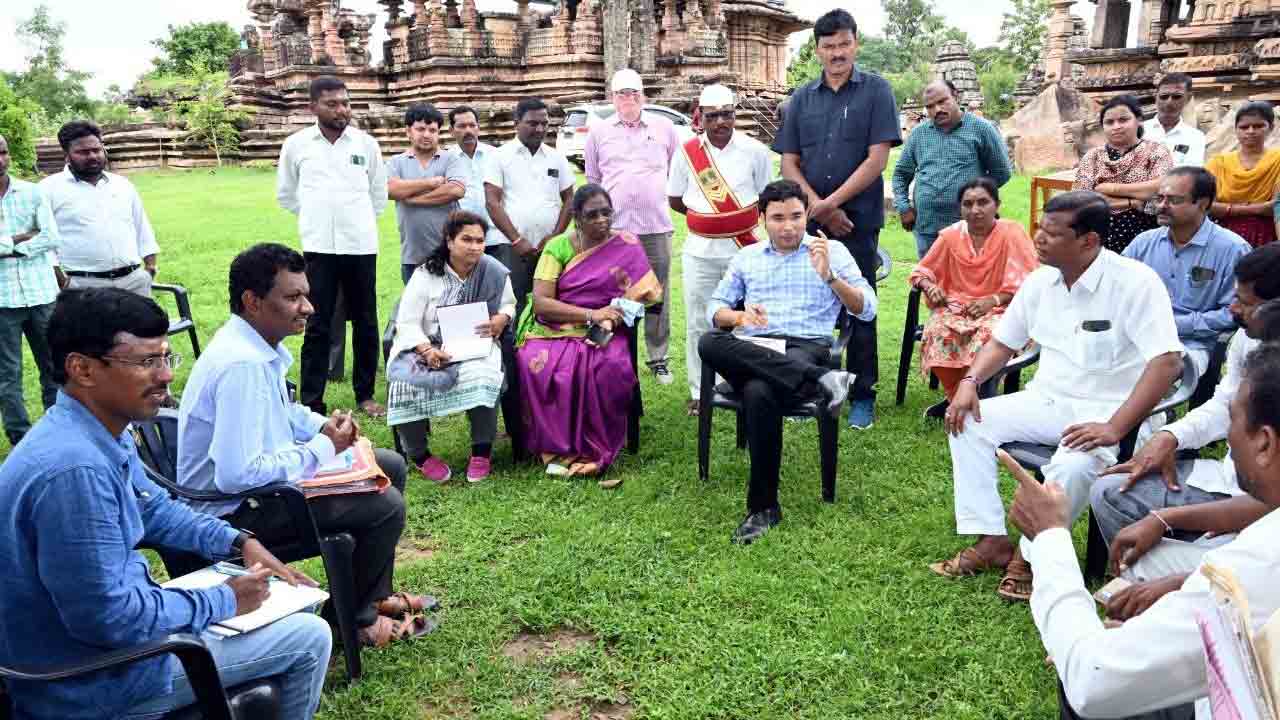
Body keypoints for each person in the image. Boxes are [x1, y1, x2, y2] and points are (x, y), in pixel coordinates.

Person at [0, 288, 331, 719]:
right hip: (89, 683)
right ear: (81, 369)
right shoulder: (74, 472)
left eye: (165, 358)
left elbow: (154, 508)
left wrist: (236, 541)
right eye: (146, 362)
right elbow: (109, 620)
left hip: (95, 652)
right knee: (308, 636)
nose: (166, 376)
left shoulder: (90, 430)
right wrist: (224, 600)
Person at [929, 190, 1184, 603]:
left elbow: (1167, 363)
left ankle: (1031, 558)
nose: (1038, 239)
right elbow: (1002, 342)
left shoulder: (1135, 283)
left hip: (1109, 411)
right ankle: (992, 539)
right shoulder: (1040, 281)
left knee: (1073, 465)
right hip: (1048, 400)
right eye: (1039, 229)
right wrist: (969, 384)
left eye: (1051, 233)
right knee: (966, 422)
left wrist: (1115, 427)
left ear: (1088, 241)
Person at [177, 243, 435, 648]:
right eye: (293, 297)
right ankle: (350, 622)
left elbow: (283, 414)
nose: (309, 307)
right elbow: (234, 474)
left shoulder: (256, 347)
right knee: (385, 507)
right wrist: (322, 449)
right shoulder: (241, 365)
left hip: (257, 494)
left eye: (306, 294)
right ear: (252, 301)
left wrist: (325, 427)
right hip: (234, 512)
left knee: (390, 466)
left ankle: (371, 597)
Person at [1011, 341, 1280, 720]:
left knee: (1089, 696)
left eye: (1232, 418)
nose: (1228, 438)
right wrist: (1176, 589)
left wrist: (1050, 536)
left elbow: (1093, 680)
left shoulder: (1258, 562)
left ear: (1265, 442)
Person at [1087, 243, 1280, 594]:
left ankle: (1170, 579)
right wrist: (1169, 438)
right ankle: (1172, 567)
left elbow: (1270, 507)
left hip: (1261, 519)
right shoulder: (1246, 341)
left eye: (1246, 304)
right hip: (1231, 488)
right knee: (1110, 490)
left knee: (1159, 571)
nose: (1233, 309)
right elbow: (1224, 404)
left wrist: (1164, 520)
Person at [701, 179, 877, 545]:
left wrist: (829, 276)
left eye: (796, 216)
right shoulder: (748, 257)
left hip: (804, 345)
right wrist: (738, 318)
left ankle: (763, 508)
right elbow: (713, 308)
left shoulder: (832, 251)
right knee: (709, 340)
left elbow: (866, 309)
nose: (788, 226)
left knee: (759, 391)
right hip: (755, 344)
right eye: (778, 218)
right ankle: (823, 380)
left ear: (807, 214)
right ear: (762, 219)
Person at [775, 8, 902, 430]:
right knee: (807, 304)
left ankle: (863, 393)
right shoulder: (801, 100)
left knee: (860, 304)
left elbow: (877, 159)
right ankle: (806, 385)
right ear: (817, 51)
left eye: (843, 44)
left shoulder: (877, 92)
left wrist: (833, 205)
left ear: (855, 44)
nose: (837, 53)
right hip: (812, 221)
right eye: (828, 46)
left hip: (858, 221)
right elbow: (789, 163)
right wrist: (819, 208)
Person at [514, 184, 661, 483]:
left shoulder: (627, 244)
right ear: (577, 218)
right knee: (539, 366)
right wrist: (590, 314)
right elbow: (541, 302)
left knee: (607, 365)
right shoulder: (558, 247)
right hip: (555, 327)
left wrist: (614, 314)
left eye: (606, 213)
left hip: (605, 327)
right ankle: (556, 448)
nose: (601, 220)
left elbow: (649, 292)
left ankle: (595, 448)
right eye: (592, 215)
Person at [277, 75, 388, 417]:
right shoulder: (297, 145)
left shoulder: (365, 144)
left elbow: (378, 195)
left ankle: (366, 395)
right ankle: (312, 400)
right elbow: (288, 195)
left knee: (366, 321)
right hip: (319, 247)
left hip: (360, 246)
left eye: (345, 103)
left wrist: (353, 221)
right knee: (317, 322)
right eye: (332, 104)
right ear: (313, 107)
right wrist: (318, 218)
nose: (342, 110)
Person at [386, 211, 515, 484]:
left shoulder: (492, 269)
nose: (475, 246)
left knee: (484, 375)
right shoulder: (426, 274)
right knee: (405, 383)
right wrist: (427, 350)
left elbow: (509, 303)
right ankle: (420, 455)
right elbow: (407, 322)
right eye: (466, 239)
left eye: (480, 240)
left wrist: (501, 318)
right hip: (424, 345)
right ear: (449, 241)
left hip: (473, 341)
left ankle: (481, 452)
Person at [667, 84, 771, 416]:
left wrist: (731, 224)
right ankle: (701, 391)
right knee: (700, 320)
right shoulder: (686, 153)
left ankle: (745, 386)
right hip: (700, 252)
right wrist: (713, 222)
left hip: (745, 250)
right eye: (713, 116)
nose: (721, 122)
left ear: (734, 114)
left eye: (727, 114)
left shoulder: (755, 150)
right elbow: (675, 198)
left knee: (746, 318)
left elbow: (765, 198)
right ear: (702, 117)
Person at [907, 177, 1038, 419]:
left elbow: (1031, 282)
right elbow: (921, 271)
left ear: (996, 205)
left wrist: (994, 300)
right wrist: (929, 286)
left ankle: (977, 397)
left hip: (1003, 309)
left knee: (990, 336)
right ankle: (957, 397)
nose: (975, 210)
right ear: (960, 208)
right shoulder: (950, 236)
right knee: (938, 331)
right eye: (967, 204)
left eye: (982, 202)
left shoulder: (1012, 233)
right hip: (957, 309)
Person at [584, 69, 681, 385]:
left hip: (656, 226)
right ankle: (613, 349)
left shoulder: (664, 128)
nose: (628, 99)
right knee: (612, 290)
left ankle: (658, 357)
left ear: (644, 95)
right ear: (612, 97)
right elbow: (593, 180)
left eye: (634, 93)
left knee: (657, 293)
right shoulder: (598, 132)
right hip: (615, 230)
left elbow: (675, 173)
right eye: (621, 93)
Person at [1122, 166, 1250, 377]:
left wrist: (1177, 324)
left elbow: (1236, 310)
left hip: (1192, 345)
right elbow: (1116, 289)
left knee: (1150, 373)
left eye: (1174, 200)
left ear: (1203, 204)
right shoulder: (1143, 243)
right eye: (1160, 198)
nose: (1162, 206)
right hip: (1138, 336)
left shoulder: (1232, 249)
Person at [893, 80, 1012, 259]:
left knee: (970, 280)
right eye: (930, 106)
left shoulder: (981, 129)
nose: (937, 110)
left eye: (942, 102)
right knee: (931, 280)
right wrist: (904, 207)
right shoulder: (919, 134)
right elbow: (901, 174)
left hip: (970, 226)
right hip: (927, 227)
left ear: (956, 96)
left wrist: (975, 198)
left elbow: (1002, 172)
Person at [38, 120, 159, 296]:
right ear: (67, 154)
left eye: (97, 150)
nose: (93, 156)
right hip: (83, 286)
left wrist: (150, 267)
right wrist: (61, 280)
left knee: (142, 325)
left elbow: (143, 228)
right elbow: (44, 241)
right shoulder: (48, 189)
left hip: (134, 281)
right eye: (83, 152)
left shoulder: (122, 184)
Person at [485, 97, 575, 322]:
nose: (540, 128)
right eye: (533, 123)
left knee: (551, 301)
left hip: (550, 247)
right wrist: (516, 240)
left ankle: (544, 352)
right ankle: (513, 354)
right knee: (511, 304)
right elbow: (492, 202)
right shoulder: (499, 156)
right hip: (511, 246)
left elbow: (570, 199)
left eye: (544, 123)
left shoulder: (556, 157)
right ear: (517, 122)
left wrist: (555, 238)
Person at [0, 134, 60, 447]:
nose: (0, 160)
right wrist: (21, 239)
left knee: (53, 364)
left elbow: (51, 237)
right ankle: (20, 438)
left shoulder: (32, 191)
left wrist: (7, 246)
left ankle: (57, 429)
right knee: (7, 375)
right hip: (2, 301)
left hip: (41, 294)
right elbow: (38, 236)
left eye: (3, 152)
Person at [1072, 94, 1175, 254]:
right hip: (1097, 238)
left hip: (1147, 237)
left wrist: (1107, 188)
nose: (1116, 126)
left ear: (1139, 120)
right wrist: (1133, 202)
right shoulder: (1093, 157)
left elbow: (1160, 190)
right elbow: (1081, 201)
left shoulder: (1156, 151)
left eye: (1123, 120)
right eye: (1109, 122)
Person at [387, 103, 467, 284]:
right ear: (408, 131)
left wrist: (411, 198)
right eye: (420, 129)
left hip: (450, 252)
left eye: (432, 130)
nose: (427, 134)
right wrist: (431, 183)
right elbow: (390, 189)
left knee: (451, 307)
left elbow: (456, 190)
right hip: (412, 255)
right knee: (416, 310)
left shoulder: (451, 158)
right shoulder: (396, 162)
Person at [1206, 101, 1280, 248]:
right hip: (1223, 235)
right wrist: (1257, 208)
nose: (1251, 131)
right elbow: (1205, 205)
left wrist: (1227, 208)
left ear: (1271, 128)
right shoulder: (1219, 163)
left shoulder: (1277, 160)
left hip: (1269, 234)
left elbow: (1276, 207)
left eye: (1258, 126)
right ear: (1236, 130)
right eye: (1244, 127)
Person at [447, 105, 506, 263]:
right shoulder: (446, 159)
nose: (468, 130)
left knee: (498, 285)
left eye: (472, 125)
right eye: (461, 126)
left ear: (478, 128)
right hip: (463, 239)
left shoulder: (495, 155)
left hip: (497, 237)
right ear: (451, 130)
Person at [1142, 73, 1206, 167]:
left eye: (1176, 97)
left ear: (1188, 98)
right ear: (1156, 97)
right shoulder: (1138, 131)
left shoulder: (1195, 137)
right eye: (1164, 96)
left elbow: (1190, 174)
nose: (1169, 102)